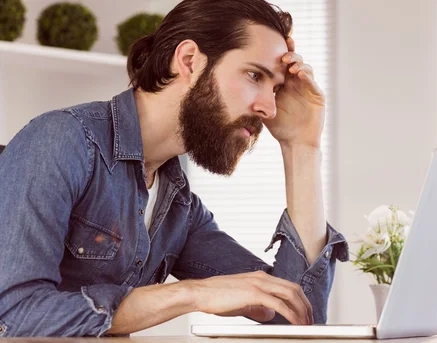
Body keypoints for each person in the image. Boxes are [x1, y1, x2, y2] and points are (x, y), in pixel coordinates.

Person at [0, 0, 348, 337]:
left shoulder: (179, 208)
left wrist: (302, 148)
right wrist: (192, 294)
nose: (269, 108)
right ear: (189, 60)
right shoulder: (63, 141)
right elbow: (13, 315)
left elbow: (297, 315)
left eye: (275, 89)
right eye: (255, 75)